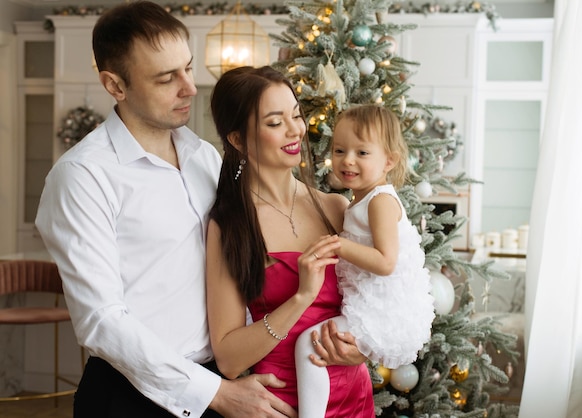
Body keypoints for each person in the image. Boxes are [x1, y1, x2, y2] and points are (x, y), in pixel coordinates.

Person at [35, 2, 296, 418]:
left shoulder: (206, 158)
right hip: (131, 398)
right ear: (115, 85)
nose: (190, 87)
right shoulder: (82, 176)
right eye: (166, 78)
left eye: (188, 68)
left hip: (228, 381)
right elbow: (102, 321)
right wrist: (215, 393)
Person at [205, 65, 375, 417]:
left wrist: (366, 348)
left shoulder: (336, 207)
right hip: (285, 405)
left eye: (296, 115)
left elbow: (380, 301)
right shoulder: (231, 226)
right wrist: (301, 297)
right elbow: (229, 359)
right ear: (237, 140)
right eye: (274, 122)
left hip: (354, 398)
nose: (295, 129)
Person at [295, 104, 436, 418]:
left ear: (389, 160)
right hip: (371, 305)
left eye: (362, 152)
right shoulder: (359, 200)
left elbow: (386, 262)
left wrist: (340, 246)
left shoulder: (380, 201)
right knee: (316, 343)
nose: (347, 160)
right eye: (340, 149)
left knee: (310, 343)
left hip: (384, 313)